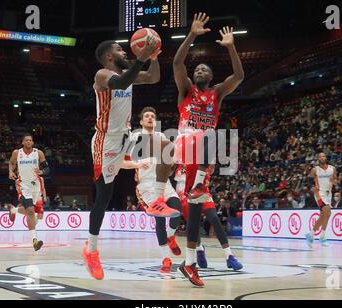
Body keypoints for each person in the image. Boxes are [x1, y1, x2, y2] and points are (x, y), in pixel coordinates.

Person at [82, 38, 178, 280]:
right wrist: (142, 57)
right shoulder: (102, 75)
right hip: (106, 142)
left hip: (126, 135)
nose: (123, 50)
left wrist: (153, 56)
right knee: (103, 197)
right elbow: (123, 81)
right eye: (118, 48)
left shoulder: (127, 72)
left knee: (166, 146)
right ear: (108, 56)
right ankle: (91, 249)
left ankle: (156, 199)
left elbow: (153, 78)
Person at [172, 12, 244, 287]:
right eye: (197, 69)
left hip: (203, 160)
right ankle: (200, 186)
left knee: (194, 212)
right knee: (209, 136)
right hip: (187, 150)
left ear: (211, 77)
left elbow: (238, 75)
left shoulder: (217, 93)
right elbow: (178, 62)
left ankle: (190, 263)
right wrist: (191, 34)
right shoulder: (186, 90)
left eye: (205, 70)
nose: (199, 71)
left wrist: (231, 47)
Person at [121, 107, 182, 273]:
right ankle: (166, 259)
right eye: (146, 116)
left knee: (177, 207)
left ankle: (170, 235)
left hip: (163, 182)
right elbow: (120, 163)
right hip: (146, 184)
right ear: (141, 121)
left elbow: (169, 164)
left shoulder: (162, 137)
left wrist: (171, 165)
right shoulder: (134, 137)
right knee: (160, 220)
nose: (149, 118)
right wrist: (137, 164)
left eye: (152, 116)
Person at [8, 133, 50, 251]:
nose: (28, 142)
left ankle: (13, 210)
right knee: (31, 211)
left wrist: (41, 172)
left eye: (30, 140)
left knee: (31, 210)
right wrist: (11, 172)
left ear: (32, 142)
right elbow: (11, 163)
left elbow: (47, 168)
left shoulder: (39, 153)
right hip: (23, 185)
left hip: (35, 186)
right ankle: (34, 240)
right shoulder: (17, 153)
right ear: (22, 142)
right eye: (26, 140)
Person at [305, 153, 337, 248]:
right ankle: (322, 237)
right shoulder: (315, 170)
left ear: (326, 158)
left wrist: (334, 181)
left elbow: (335, 180)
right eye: (320, 156)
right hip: (319, 193)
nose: (322, 157)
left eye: (324, 156)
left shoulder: (332, 168)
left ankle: (310, 234)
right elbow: (308, 179)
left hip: (328, 193)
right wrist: (312, 187)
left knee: (323, 215)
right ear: (318, 159)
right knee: (327, 212)